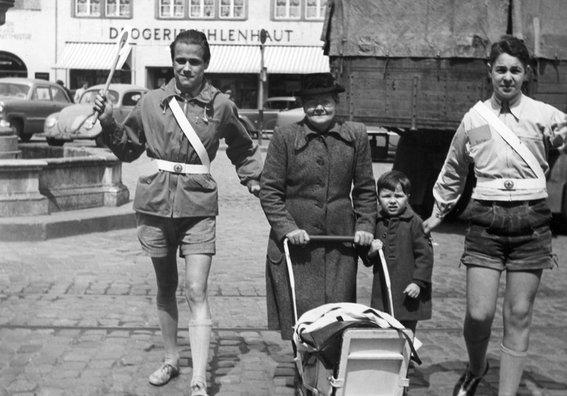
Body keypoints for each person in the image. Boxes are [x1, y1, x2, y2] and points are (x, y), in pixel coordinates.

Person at [422, 36, 567, 396]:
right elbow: (456, 167)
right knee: (478, 314)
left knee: (518, 315)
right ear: (489, 72)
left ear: (527, 75)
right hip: (486, 222)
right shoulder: (477, 119)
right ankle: (477, 367)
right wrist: (438, 211)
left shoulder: (543, 116)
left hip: (531, 222)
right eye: (501, 69)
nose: (508, 77)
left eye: (516, 71)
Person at [92, 29, 262, 396]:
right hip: (154, 205)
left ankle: (200, 377)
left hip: (198, 205)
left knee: (196, 289)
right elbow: (128, 150)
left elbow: (243, 148)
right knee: (166, 287)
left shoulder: (220, 105)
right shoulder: (151, 101)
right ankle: (171, 359)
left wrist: (255, 180)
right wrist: (108, 121)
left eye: (194, 61)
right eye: (180, 60)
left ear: (206, 64)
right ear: (172, 61)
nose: (186, 67)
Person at [259, 72, 377, 340]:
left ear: (336, 101)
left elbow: (366, 190)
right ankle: (304, 371)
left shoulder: (355, 135)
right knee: (301, 316)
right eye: (311, 102)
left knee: (338, 316)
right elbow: (270, 191)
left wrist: (366, 225)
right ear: (303, 105)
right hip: (297, 244)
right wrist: (288, 228)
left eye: (325, 100)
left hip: (339, 242)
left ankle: (332, 372)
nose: (318, 107)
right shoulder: (285, 137)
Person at [364, 170, 433, 336]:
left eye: (399, 196)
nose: (393, 201)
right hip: (382, 289)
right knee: (382, 325)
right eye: (387, 196)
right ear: (378, 198)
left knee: (406, 330)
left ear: (408, 197)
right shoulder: (376, 221)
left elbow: (425, 255)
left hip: (408, 289)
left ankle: (407, 359)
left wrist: (418, 282)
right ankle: (387, 359)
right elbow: (367, 259)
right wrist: (371, 251)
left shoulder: (415, 222)